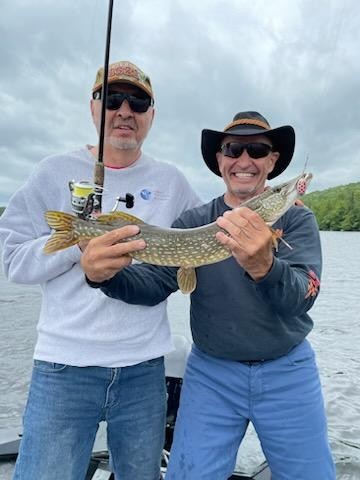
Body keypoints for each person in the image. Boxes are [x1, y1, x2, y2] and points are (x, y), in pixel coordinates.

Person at [81, 111, 336, 480]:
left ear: (272, 161)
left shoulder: (296, 220)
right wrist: (101, 276)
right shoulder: (193, 222)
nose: (244, 160)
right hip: (212, 374)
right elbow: (153, 285)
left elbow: (303, 297)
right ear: (219, 160)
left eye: (258, 149)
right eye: (233, 149)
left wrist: (266, 267)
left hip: (287, 370)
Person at [0, 60, 201, 480]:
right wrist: (78, 246)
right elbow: (12, 259)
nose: (125, 111)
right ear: (94, 108)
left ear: (151, 114)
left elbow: (214, 230)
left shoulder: (173, 181)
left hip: (145, 370)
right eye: (112, 99)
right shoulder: (51, 171)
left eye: (138, 101)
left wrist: (270, 212)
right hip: (63, 369)